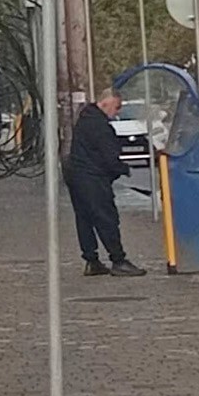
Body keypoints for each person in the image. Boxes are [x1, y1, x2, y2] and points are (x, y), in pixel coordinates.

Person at [67, 92, 145, 277]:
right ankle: (118, 260)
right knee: (106, 218)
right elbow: (109, 157)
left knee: (84, 218)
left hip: (77, 175)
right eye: (116, 107)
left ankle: (91, 260)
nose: (117, 113)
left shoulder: (85, 119)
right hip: (93, 178)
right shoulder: (100, 126)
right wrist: (122, 169)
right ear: (105, 104)